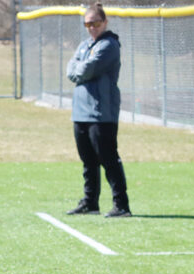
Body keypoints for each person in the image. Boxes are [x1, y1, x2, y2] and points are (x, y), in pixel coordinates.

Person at [65, 3, 131, 218]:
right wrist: (78, 69)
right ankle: (90, 202)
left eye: (96, 23)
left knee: (108, 157)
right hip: (80, 111)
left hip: (101, 112)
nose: (92, 27)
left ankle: (121, 205)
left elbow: (87, 68)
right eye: (88, 24)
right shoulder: (85, 45)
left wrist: (79, 69)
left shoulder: (109, 45)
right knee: (88, 160)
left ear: (105, 22)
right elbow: (70, 69)